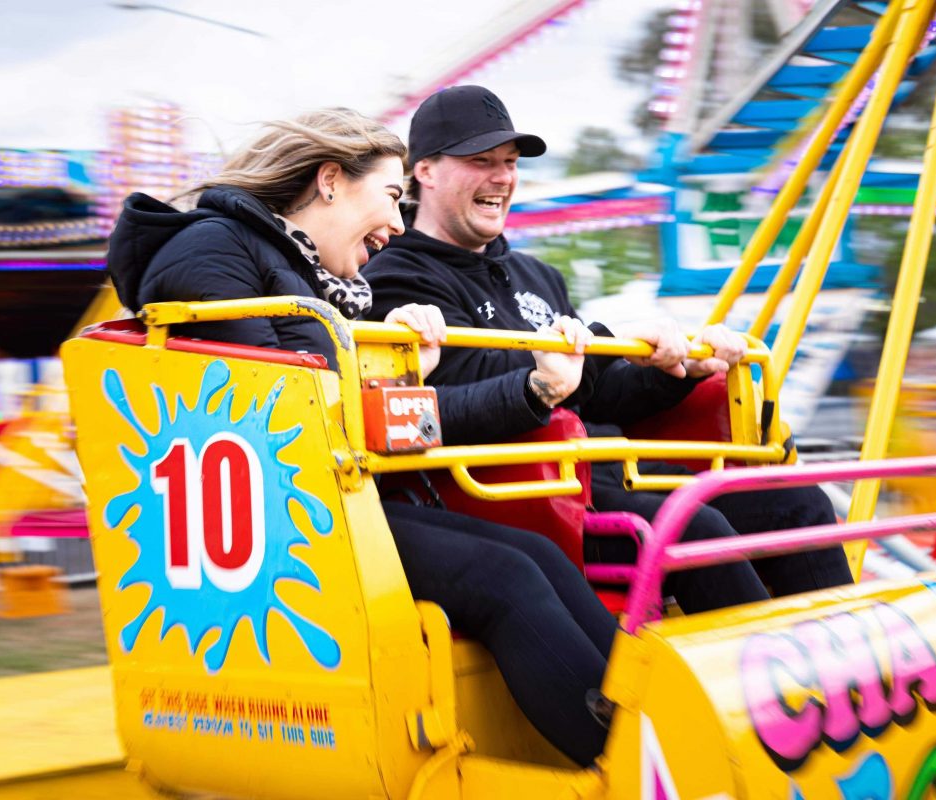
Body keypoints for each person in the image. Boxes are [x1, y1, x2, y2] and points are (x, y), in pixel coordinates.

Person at [104, 108, 616, 766]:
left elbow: (355, 410)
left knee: (534, 554)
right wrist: (400, 381)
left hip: (322, 495)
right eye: (391, 197)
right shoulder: (211, 251)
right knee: (504, 576)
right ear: (329, 182)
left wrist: (419, 373)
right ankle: (620, 758)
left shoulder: (309, 278)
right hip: (274, 519)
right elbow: (276, 414)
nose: (400, 225)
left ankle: (646, 711)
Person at [363, 86, 854, 613]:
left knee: (797, 503)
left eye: (508, 162)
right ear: (426, 171)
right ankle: (760, 680)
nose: (502, 177)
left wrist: (674, 370)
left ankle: (852, 664)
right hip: (525, 499)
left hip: (612, 471)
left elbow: (598, 397)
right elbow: (475, 379)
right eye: (481, 161)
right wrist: (600, 343)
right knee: (689, 524)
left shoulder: (536, 274)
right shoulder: (398, 279)